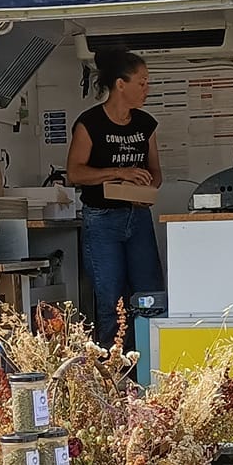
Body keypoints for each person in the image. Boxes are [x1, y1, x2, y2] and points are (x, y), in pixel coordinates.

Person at [67, 48, 163, 333]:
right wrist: (119, 173)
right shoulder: (90, 123)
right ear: (120, 84)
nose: (147, 89)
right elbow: (75, 172)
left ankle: (147, 367)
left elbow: (156, 171)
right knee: (111, 301)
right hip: (101, 219)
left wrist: (148, 188)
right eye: (142, 82)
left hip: (138, 216)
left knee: (150, 296)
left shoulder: (146, 124)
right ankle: (111, 369)